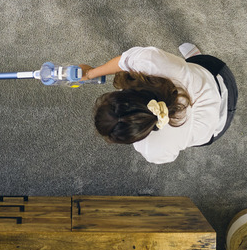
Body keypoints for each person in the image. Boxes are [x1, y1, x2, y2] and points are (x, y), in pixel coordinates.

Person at [82, 43, 238, 164]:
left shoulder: (152, 150)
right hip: (219, 78)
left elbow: (170, 154)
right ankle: (194, 58)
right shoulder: (151, 62)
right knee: (192, 66)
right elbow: (125, 61)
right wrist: (90, 73)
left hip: (217, 127)